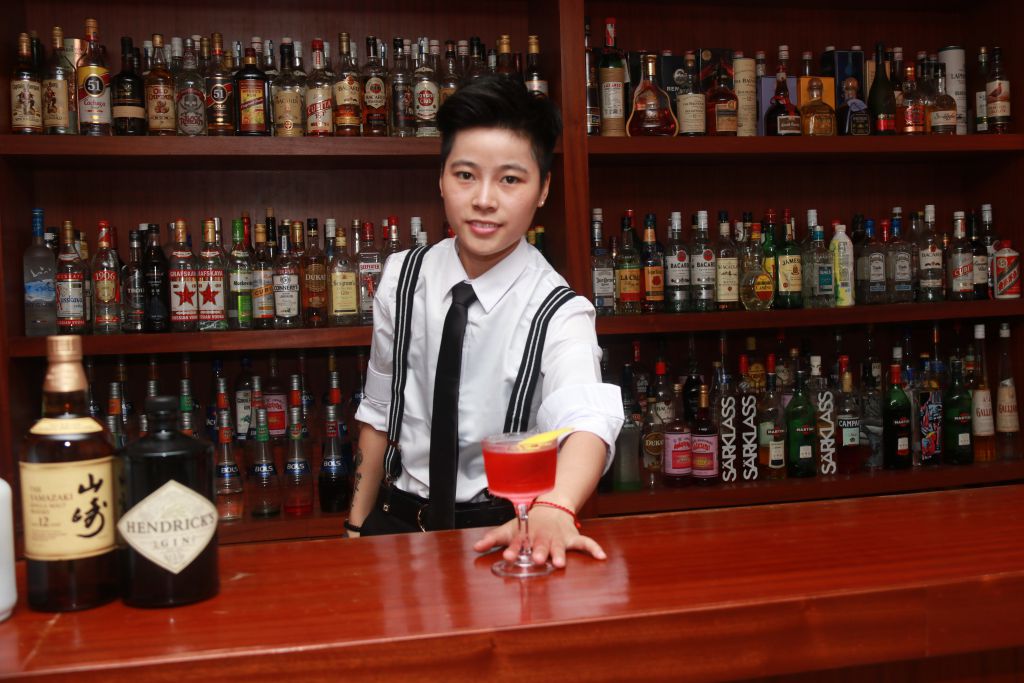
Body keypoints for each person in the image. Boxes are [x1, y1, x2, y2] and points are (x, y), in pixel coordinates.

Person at [347, 76, 623, 568]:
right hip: (394, 527)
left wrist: (556, 506)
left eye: (510, 179)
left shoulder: (558, 309)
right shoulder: (400, 279)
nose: (484, 200)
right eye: (466, 175)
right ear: (441, 179)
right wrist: (354, 527)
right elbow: (379, 413)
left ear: (543, 190)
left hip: (503, 533)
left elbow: (586, 421)